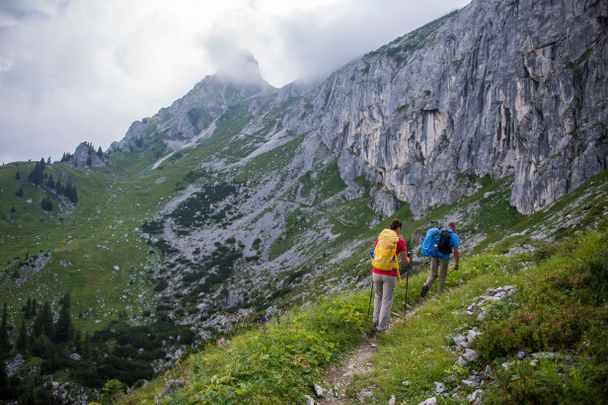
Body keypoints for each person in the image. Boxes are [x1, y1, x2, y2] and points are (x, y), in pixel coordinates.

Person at [371, 219, 410, 333]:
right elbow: (405, 261)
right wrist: (408, 259)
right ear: (398, 228)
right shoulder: (399, 241)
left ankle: (375, 322)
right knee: (387, 300)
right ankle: (382, 328)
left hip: (376, 271)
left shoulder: (380, 237)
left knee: (378, 296)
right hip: (389, 274)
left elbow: (375, 252)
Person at [420, 222, 460, 297]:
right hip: (444, 257)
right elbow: (456, 252)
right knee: (442, 276)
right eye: (455, 228)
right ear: (453, 227)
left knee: (433, 274)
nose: (456, 229)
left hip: (434, 255)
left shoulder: (440, 231)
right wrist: (457, 263)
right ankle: (440, 294)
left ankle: (426, 286)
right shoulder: (453, 235)